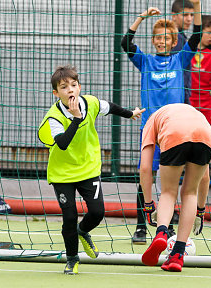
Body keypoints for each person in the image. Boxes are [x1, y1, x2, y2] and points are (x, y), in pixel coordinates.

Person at [37, 65, 144, 274]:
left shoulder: (91, 102)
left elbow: (109, 107)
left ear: (79, 87)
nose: (70, 90)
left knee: (97, 212)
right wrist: (76, 119)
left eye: (74, 85)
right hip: (62, 173)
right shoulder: (53, 117)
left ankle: (83, 231)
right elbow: (62, 143)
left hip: (88, 168)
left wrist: (130, 113)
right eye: (64, 87)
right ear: (56, 93)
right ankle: (72, 259)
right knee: (69, 216)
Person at [121, 1, 202, 244]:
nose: (160, 41)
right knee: (145, 174)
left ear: (174, 41)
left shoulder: (181, 60)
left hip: (174, 131)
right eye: (157, 37)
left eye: (166, 38)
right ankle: (141, 225)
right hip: (151, 129)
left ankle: (169, 223)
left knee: (174, 179)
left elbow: (197, 36)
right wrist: (141, 18)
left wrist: (197, 7)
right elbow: (125, 43)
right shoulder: (145, 61)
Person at [140, 103, 211, 272]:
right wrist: (201, 210)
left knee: (168, 191)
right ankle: (178, 255)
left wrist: (148, 205)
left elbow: (145, 168)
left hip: (174, 133)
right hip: (205, 134)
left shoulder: (150, 123)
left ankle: (161, 233)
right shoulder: (195, 116)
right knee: (189, 192)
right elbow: (205, 178)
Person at [171, 0, 195, 104]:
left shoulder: (179, 36)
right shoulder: (175, 38)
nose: (189, 19)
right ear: (174, 16)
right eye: (185, 15)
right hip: (177, 93)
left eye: (191, 15)